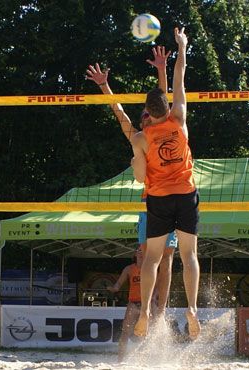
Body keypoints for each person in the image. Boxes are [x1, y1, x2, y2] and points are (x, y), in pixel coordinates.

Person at [86, 46, 178, 317]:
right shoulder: (138, 138)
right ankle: (148, 308)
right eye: (144, 116)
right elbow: (119, 114)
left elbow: (162, 99)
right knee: (149, 258)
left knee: (167, 258)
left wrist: (162, 69)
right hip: (149, 204)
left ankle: (161, 310)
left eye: (150, 113)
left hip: (171, 201)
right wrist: (105, 86)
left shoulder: (168, 128)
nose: (147, 116)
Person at [130, 27, 201, 341]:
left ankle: (145, 309)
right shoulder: (180, 118)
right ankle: (193, 308)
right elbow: (180, 75)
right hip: (185, 194)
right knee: (189, 257)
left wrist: (137, 159)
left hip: (158, 199)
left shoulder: (142, 138)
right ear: (167, 107)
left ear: (147, 113)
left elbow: (138, 175)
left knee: (152, 258)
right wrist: (181, 47)